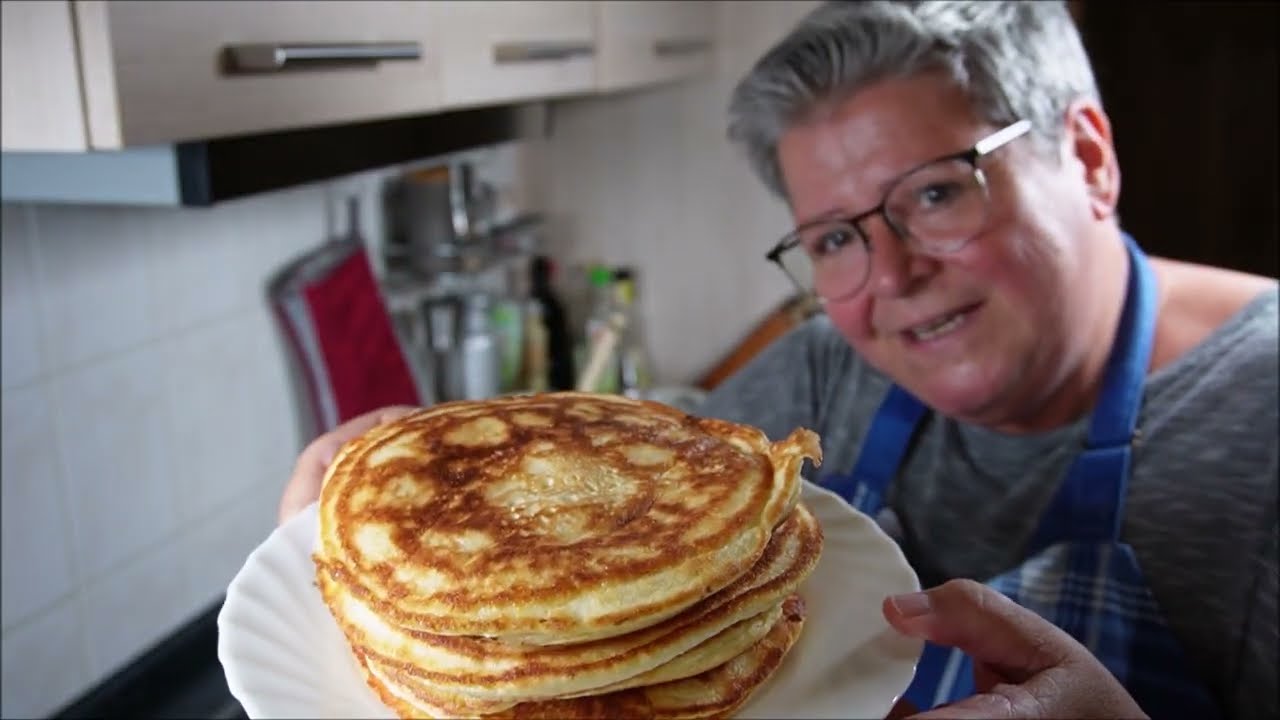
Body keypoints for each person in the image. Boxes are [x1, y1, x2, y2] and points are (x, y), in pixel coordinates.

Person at [279, 2, 1277, 718]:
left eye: (933, 194)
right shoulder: (824, 373)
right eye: (834, 239)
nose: (888, 275)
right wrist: (371, 548)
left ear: (1089, 158)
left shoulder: (1259, 417)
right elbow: (630, 492)